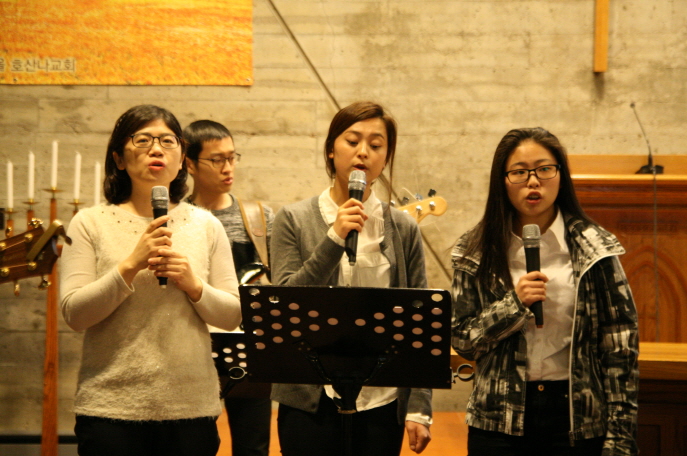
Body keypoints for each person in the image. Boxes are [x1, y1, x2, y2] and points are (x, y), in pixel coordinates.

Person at [60, 105, 241, 456]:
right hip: (110, 408)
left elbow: (232, 314)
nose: (156, 149)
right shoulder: (89, 223)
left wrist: (194, 285)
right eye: (143, 140)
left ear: (182, 159)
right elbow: (75, 314)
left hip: (190, 407)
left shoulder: (206, 224)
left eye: (168, 141)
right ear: (119, 158)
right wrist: (130, 265)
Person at [451, 127, 639, 456]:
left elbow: (620, 347)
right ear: (502, 181)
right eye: (519, 172)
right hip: (498, 418)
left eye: (544, 169)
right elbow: (462, 340)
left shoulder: (595, 248)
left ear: (561, 177)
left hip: (575, 415)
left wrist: (620, 437)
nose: (533, 181)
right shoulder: (474, 250)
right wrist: (513, 305)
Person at [270, 101, 432, 456]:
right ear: (331, 150)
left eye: (376, 145)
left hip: (382, 398)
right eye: (352, 141)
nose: (363, 152)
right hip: (309, 399)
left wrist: (419, 405)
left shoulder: (403, 228)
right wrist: (334, 239)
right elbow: (283, 302)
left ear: (385, 158)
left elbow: (418, 320)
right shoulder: (292, 219)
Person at [183, 119, 274, 456]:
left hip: (248, 346)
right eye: (217, 159)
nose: (228, 167)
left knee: (253, 446)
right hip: (192, 346)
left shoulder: (259, 217)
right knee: (194, 444)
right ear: (190, 164)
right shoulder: (179, 217)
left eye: (232, 157)